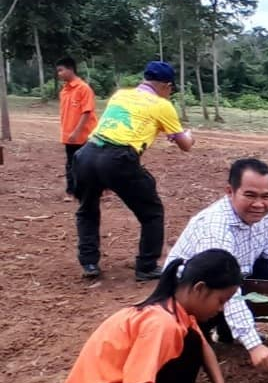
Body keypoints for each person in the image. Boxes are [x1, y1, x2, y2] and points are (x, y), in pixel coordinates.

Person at [53, 249, 254, 383]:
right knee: (187, 352)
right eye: (221, 300)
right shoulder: (162, 325)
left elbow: (204, 348)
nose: (221, 309)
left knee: (193, 344)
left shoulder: (171, 308)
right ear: (199, 289)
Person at [165, 158, 268, 372]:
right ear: (230, 191)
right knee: (191, 350)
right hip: (192, 289)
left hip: (235, 274)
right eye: (250, 195)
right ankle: (205, 332)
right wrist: (254, 345)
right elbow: (223, 285)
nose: (259, 204)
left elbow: (267, 245)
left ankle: (227, 331)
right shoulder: (216, 228)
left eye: (266, 196)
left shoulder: (262, 215)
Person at [72, 60, 195, 281]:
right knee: (152, 212)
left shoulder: (121, 95)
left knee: (87, 209)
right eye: (171, 89)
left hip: (87, 154)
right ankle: (147, 266)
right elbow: (185, 145)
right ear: (166, 86)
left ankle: (89, 262)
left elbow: (129, 121)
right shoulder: (162, 105)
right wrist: (187, 134)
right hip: (118, 159)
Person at [56, 57, 98, 198]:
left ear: (70, 69)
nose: (59, 74)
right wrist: (68, 132)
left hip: (84, 135)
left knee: (87, 163)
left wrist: (77, 131)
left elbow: (87, 112)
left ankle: (93, 190)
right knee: (71, 163)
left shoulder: (83, 88)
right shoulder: (64, 91)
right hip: (69, 135)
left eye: (61, 70)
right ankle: (72, 191)